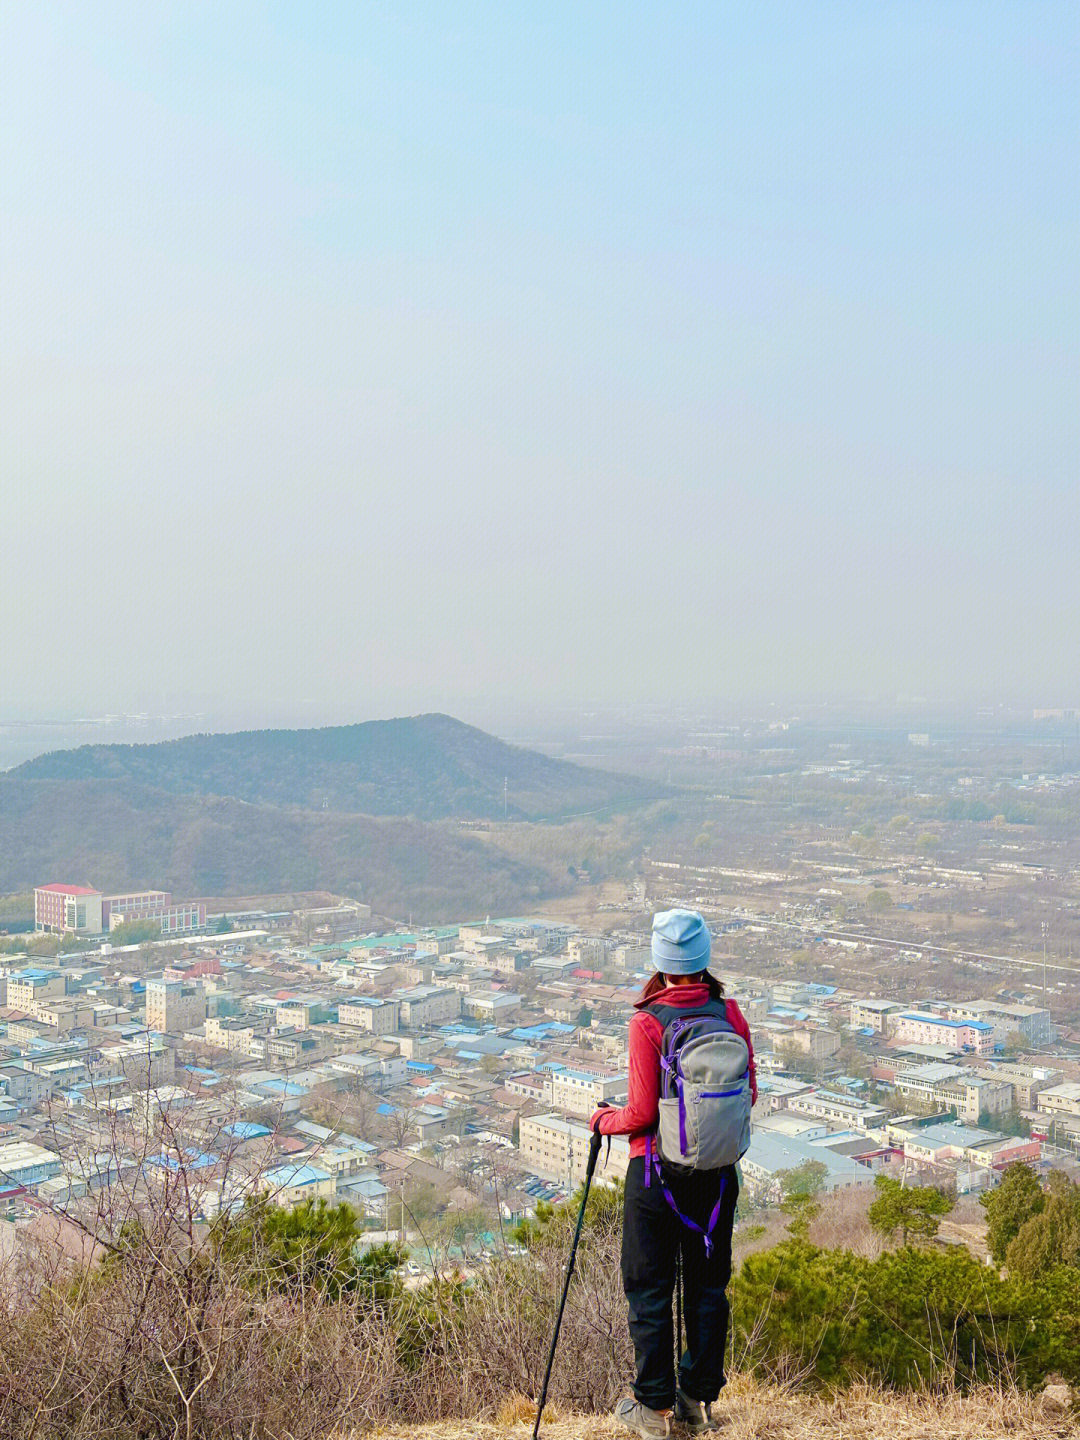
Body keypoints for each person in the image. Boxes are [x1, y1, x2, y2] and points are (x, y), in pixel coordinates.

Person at [591, 909, 757, 1438]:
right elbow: (748, 1095)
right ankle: (696, 1397)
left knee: (649, 1286)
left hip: (655, 1177)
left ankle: (653, 1406)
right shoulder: (729, 1014)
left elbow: (640, 1115)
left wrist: (602, 1118)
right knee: (709, 1288)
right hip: (716, 1178)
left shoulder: (647, 1023)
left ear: (660, 964)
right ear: (704, 959)